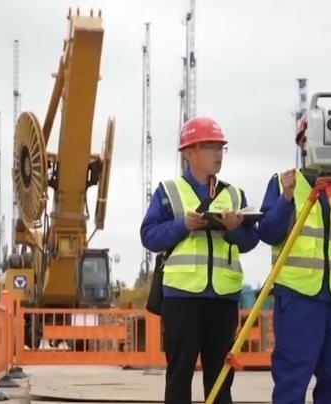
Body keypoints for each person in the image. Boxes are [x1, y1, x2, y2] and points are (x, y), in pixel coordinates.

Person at [140, 115, 260, 404]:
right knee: (179, 376)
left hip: (224, 299)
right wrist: (183, 225)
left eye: (221, 148)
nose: (218, 154)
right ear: (189, 153)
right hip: (182, 298)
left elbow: (250, 241)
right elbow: (149, 236)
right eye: (210, 147)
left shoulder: (234, 194)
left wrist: (233, 229)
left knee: (221, 380)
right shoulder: (168, 192)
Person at [257, 118, 331, 404]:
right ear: (303, 143)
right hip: (299, 298)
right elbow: (268, 233)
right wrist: (286, 199)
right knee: (293, 380)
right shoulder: (283, 183)